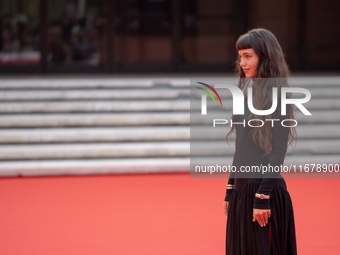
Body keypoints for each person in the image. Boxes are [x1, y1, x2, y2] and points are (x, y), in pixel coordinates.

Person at [222, 28, 298, 255]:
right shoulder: (245, 98)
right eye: (240, 56)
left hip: (265, 193)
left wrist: (262, 198)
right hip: (242, 194)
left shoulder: (279, 99)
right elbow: (240, 149)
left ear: (264, 57)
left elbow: (278, 152)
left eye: (248, 56)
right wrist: (230, 189)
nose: (242, 62)